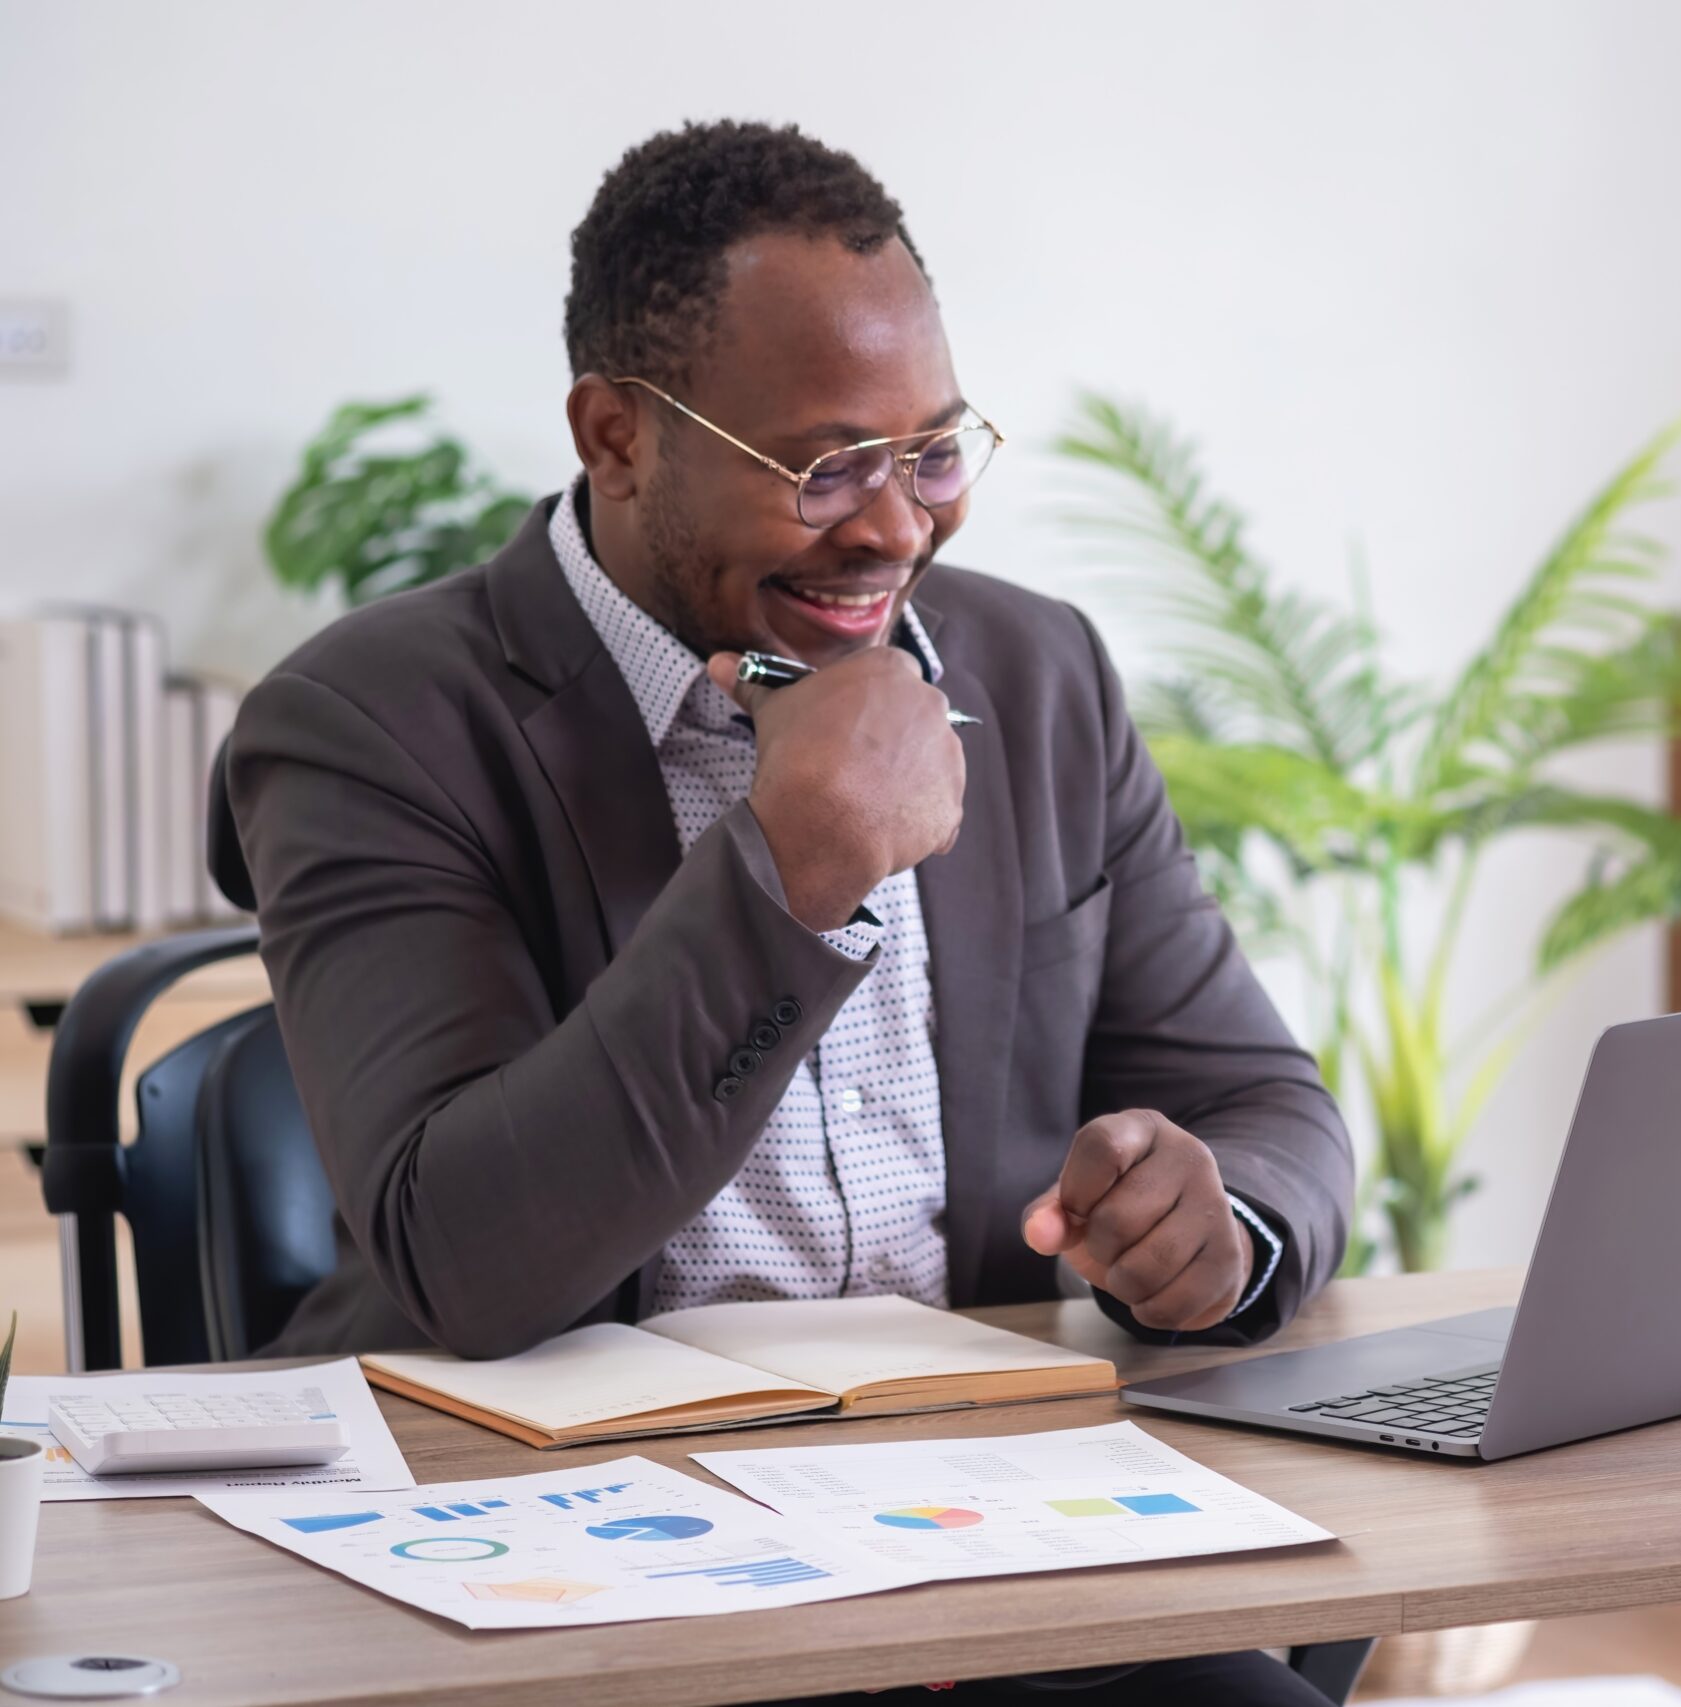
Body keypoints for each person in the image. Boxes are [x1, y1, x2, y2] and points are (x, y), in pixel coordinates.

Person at [225, 119, 1355, 1704]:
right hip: (568, 1575)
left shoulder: (1034, 679)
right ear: (617, 436)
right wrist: (791, 870)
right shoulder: (375, 722)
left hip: (978, 1537)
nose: (897, 526)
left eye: (936, 451)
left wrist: (1209, 1223)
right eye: (824, 467)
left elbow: (1261, 1103)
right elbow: (469, 1259)